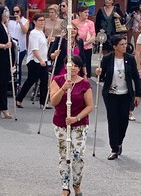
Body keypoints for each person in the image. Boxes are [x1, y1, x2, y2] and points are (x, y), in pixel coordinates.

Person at [50, 55, 93, 196]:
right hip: (61, 123)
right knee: (64, 155)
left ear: (79, 68)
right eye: (70, 65)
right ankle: (65, 186)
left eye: (76, 65)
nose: (73, 68)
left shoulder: (84, 84)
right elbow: (53, 102)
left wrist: (76, 118)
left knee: (78, 155)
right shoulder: (57, 80)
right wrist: (63, 89)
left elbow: (90, 106)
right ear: (65, 66)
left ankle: (77, 185)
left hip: (79, 124)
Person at [96, 35, 141, 160]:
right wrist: (99, 73)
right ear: (114, 47)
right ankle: (114, 148)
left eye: (125, 44)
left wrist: (138, 94)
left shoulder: (130, 59)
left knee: (123, 120)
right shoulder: (107, 59)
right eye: (121, 44)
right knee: (112, 120)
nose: (125, 46)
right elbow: (102, 76)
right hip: (111, 94)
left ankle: (119, 141)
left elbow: (135, 77)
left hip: (126, 94)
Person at [16, 14, 50, 109]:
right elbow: (35, 49)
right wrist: (40, 60)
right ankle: (19, 99)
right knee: (31, 80)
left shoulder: (41, 32)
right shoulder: (34, 33)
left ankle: (43, 103)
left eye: (43, 20)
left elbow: (42, 45)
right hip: (35, 61)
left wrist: (47, 41)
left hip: (43, 60)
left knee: (44, 81)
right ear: (34, 22)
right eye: (40, 20)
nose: (42, 22)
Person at [8, 5, 30, 87]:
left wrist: (20, 22)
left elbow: (25, 31)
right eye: (14, 12)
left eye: (17, 11)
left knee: (18, 64)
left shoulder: (25, 21)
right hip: (11, 45)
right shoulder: (10, 20)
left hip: (20, 46)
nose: (15, 13)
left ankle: (18, 83)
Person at [73, 6, 96, 78]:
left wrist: (84, 43)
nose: (87, 14)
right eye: (85, 12)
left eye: (88, 12)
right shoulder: (73, 22)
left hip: (87, 47)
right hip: (76, 47)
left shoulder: (90, 23)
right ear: (80, 13)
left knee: (86, 64)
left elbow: (93, 36)